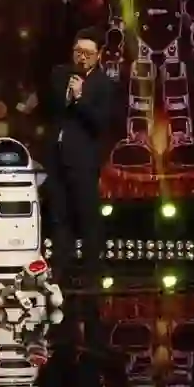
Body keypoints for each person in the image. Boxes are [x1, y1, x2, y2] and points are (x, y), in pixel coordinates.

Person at [42, 27, 114, 284]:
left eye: (88, 53)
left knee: (86, 216)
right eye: (78, 52)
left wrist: (80, 98)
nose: (82, 58)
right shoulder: (59, 74)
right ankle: (61, 270)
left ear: (99, 55)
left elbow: (101, 123)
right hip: (56, 156)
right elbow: (49, 109)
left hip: (84, 159)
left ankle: (92, 271)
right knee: (59, 214)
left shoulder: (104, 84)